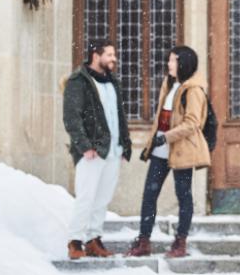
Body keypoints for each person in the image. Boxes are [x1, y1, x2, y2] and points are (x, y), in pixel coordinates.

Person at [125, 45, 211, 259]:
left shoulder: (194, 90)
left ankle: (180, 242)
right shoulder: (169, 84)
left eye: (172, 60)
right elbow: (160, 117)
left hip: (181, 151)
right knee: (149, 195)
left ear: (182, 63)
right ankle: (144, 240)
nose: (168, 64)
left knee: (184, 196)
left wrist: (167, 136)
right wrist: (155, 140)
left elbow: (192, 123)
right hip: (160, 151)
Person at [62, 39, 132, 260]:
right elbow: (71, 117)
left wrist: (124, 145)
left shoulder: (113, 82)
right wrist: (84, 146)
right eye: (109, 54)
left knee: (102, 198)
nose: (114, 59)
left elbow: (119, 116)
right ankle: (75, 241)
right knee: (86, 196)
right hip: (92, 151)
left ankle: (94, 239)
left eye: (114, 54)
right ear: (96, 55)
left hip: (113, 150)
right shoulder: (78, 81)